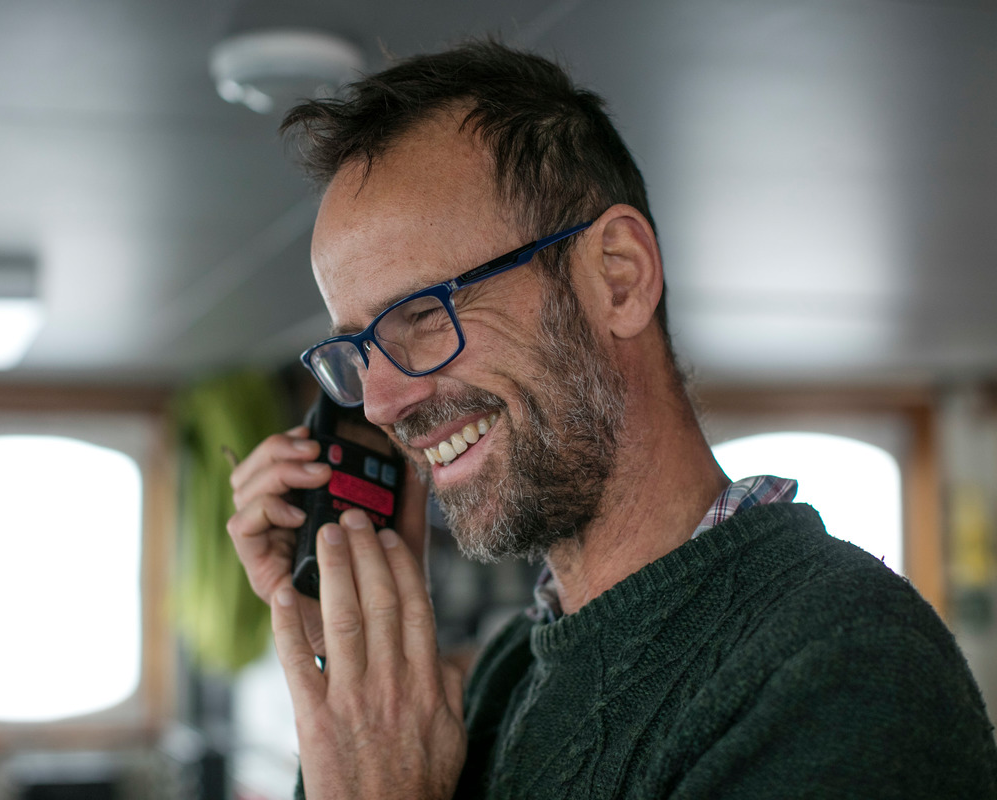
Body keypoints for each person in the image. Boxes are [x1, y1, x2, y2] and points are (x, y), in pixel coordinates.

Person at [227, 41, 997, 798]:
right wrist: (353, 649)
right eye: (356, 352)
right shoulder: (510, 674)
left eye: (423, 314)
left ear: (618, 278)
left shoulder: (842, 671)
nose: (383, 402)